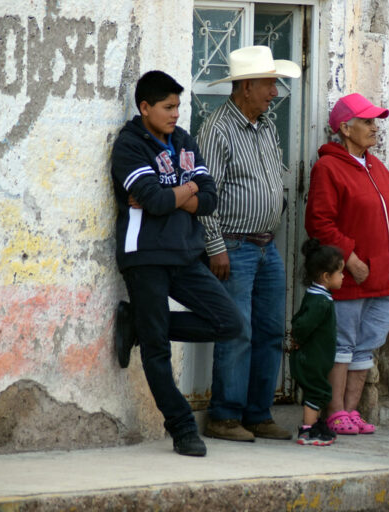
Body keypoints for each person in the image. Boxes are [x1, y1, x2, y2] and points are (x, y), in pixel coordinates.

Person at [110, 70, 244, 457]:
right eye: (168, 107)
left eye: (178, 106)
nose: (175, 114)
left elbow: (210, 199)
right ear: (145, 107)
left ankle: (139, 323)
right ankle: (182, 427)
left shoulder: (183, 140)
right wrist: (186, 190)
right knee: (157, 350)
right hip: (145, 256)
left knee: (229, 323)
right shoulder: (130, 145)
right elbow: (154, 202)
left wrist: (174, 193)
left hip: (186, 254)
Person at [196, 46, 301, 442]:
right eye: (269, 84)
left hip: (265, 246)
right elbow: (206, 193)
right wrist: (215, 246)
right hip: (234, 245)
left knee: (271, 331)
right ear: (245, 87)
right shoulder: (218, 129)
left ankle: (258, 413)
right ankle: (224, 416)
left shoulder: (266, 126)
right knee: (237, 331)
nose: (274, 92)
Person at [305, 93, 389, 435]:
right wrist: (349, 259)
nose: (374, 127)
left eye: (374, 121)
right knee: (342, 344)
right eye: (366, 121)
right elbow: (319, 222)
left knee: (366, 347)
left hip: (382, 278)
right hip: (350, 277)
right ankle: (335, 411)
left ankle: (351, 412)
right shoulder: (328, 168)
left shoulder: (377, 168)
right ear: (345, 128)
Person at [290, 239, 344, 446]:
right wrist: (298, 338)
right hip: (311, 358)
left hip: (316, 357)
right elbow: (302, 324)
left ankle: (315, 425)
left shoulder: (319, 296)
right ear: (326, 276)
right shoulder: (320, 302)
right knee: (317, 391)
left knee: (319, 389)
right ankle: (308, 430)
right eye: (340, 273)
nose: (343, 277)